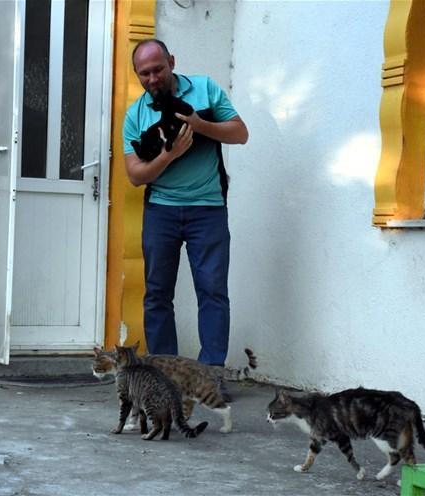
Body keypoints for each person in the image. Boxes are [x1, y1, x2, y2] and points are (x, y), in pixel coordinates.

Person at [122, 39, 248, 400]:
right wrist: (171, 153)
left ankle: (210, 376)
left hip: (207, 208)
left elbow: (240, 133)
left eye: (157, 69)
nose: (152, 78)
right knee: (157, 294)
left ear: (171, 62)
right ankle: (166, 376)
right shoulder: (135, 114)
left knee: (212, 292)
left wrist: (198, 124)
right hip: (161, 210)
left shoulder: (205, 89)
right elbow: (136, 175)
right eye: (144, 73)